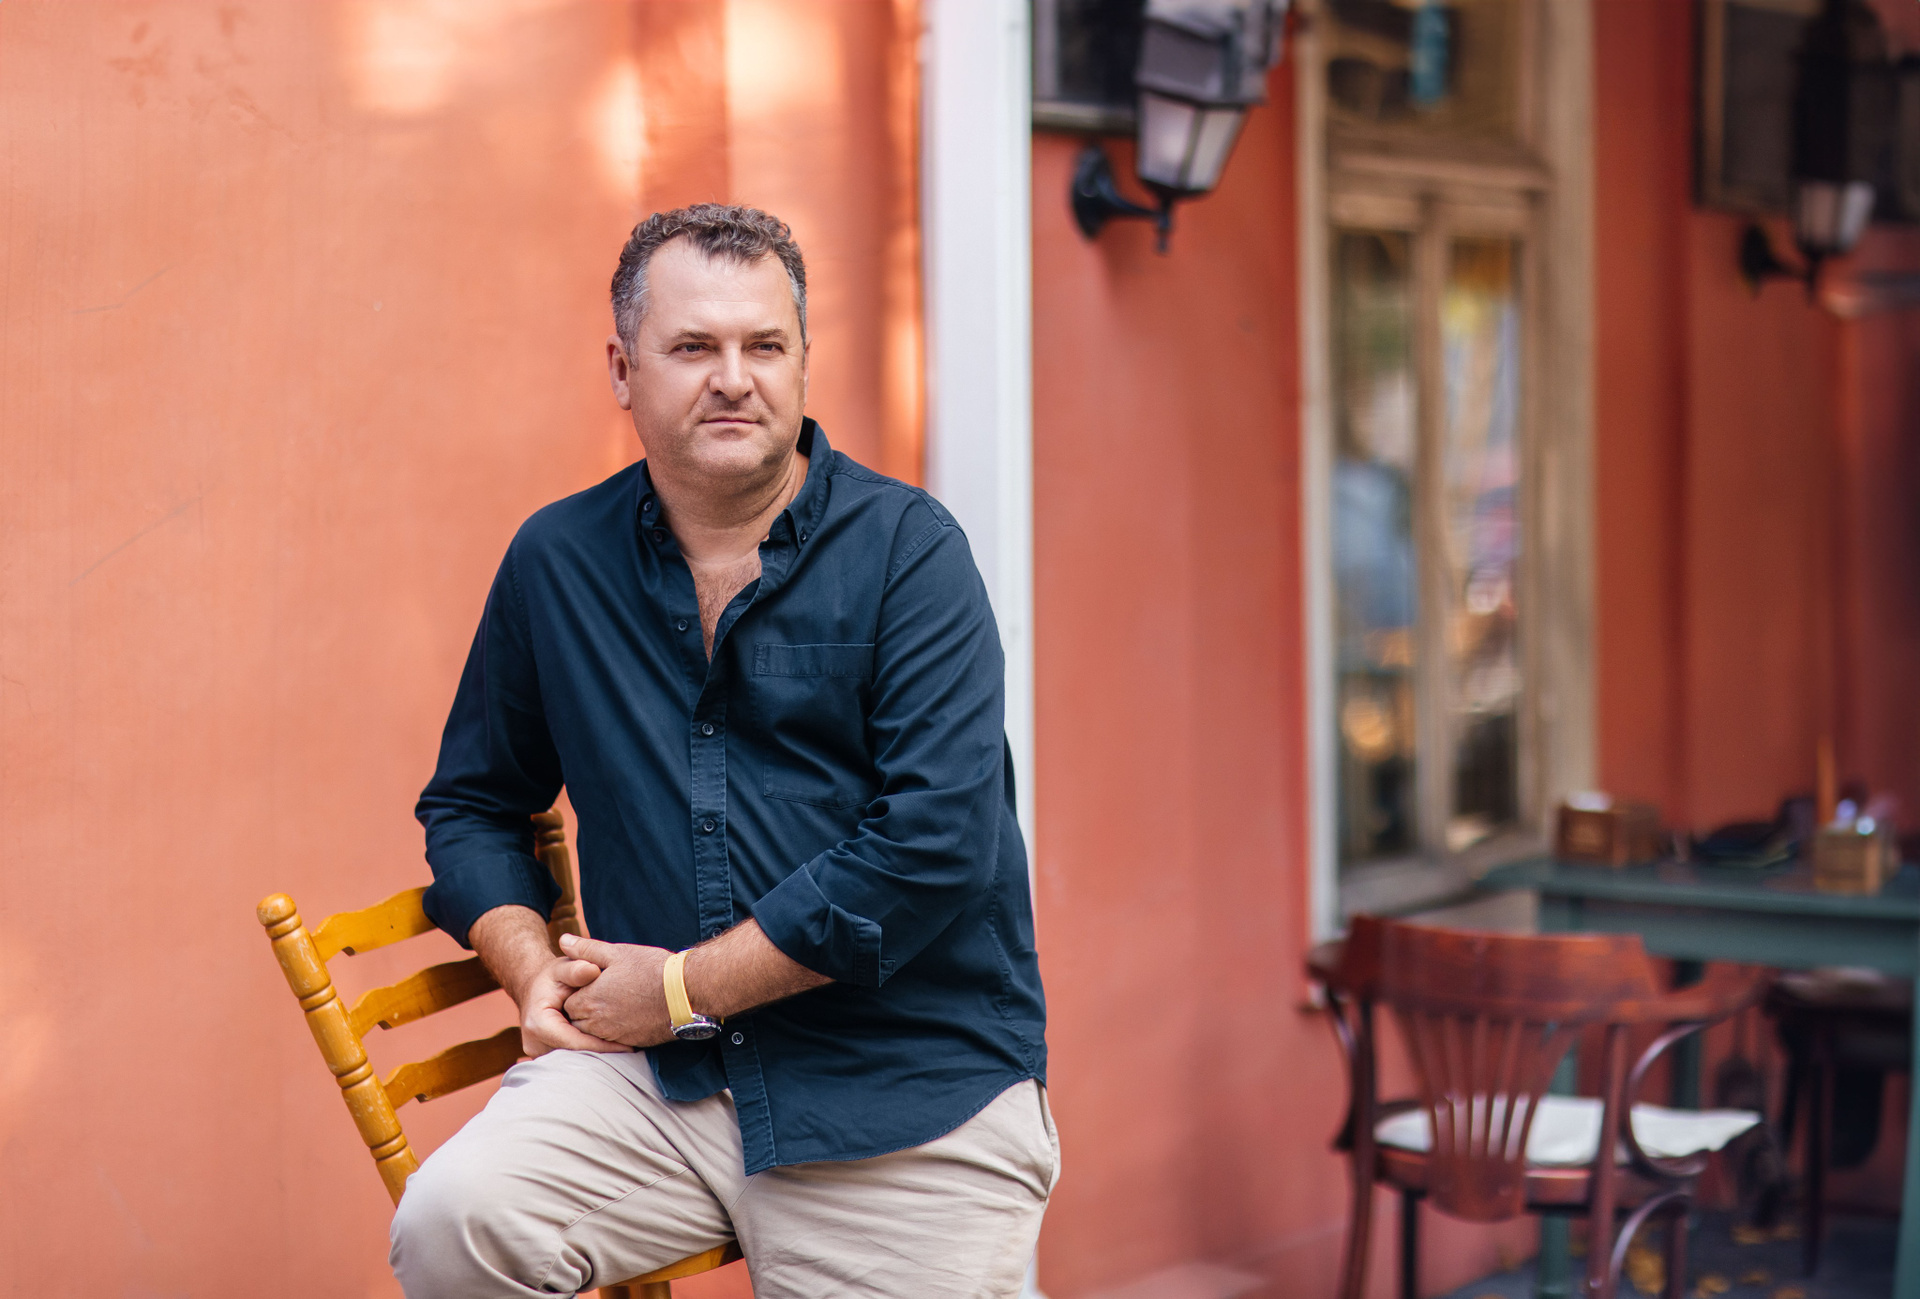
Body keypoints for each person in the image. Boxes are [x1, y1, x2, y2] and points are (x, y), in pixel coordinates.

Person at [389, 204, 1053, 1299]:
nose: (734, 379)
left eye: (765, 346)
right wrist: (532, 969)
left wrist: (682, 987)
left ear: (803, 361)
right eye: (694, 346)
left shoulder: (909, 554)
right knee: (456, 1223)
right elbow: (474, 806)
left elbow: (931, 848)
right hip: (661, 1082)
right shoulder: (557, 561)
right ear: (623, 368)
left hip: (900, 1086)